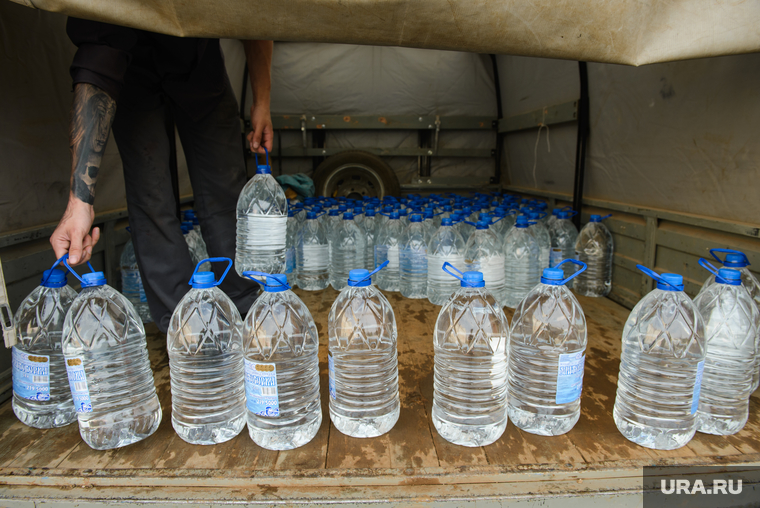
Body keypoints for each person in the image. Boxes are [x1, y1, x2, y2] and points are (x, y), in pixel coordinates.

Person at [50, 17, 273, 332]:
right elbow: (97, 65)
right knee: (150, 198)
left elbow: (260, 18)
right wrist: (79, 200)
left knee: (226, 192)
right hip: (131, 74)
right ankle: (185, 330)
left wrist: (262, 102)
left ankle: (251, 315)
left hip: (200, 66)